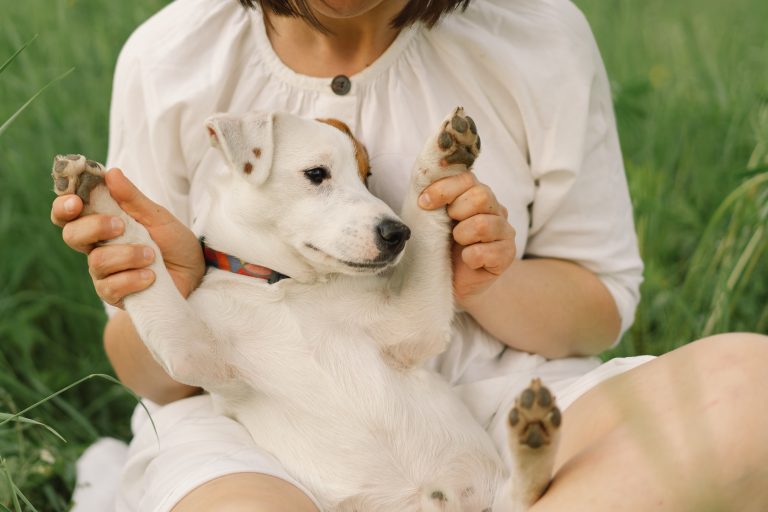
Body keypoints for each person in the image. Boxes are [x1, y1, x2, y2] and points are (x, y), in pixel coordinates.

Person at [51, 0, 768, 510]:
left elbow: (598, 304)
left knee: (751, 389)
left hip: (498, 401)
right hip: (266, 437)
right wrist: (165, 285)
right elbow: (172, 368)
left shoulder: (538, 33)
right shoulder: (171, 57)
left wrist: (480, 278)